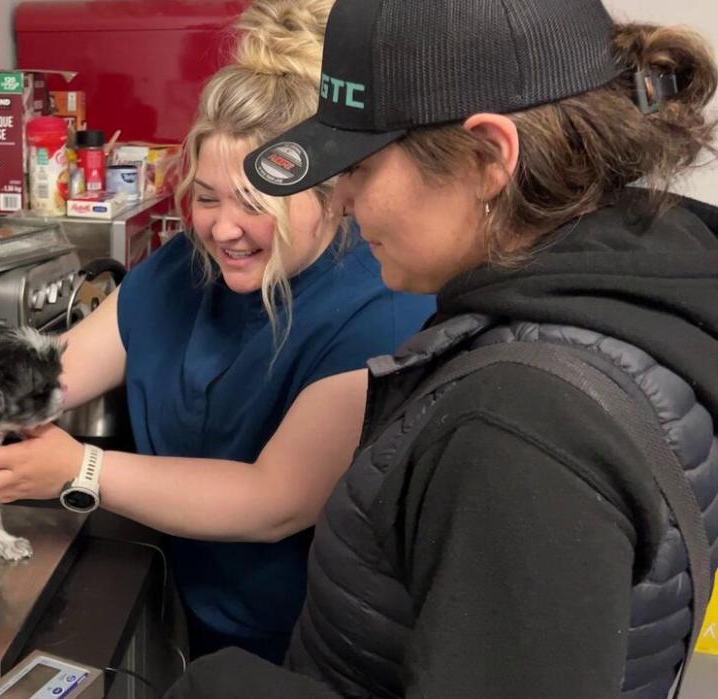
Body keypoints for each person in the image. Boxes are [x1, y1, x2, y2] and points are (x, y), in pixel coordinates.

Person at [0, 0, 435, 664]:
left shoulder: (380, 306)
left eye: (255, 204)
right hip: (197, 612)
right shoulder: (186, 271)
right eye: (206, 197)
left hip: (312, 649)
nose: (224, 228)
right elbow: (61, 365)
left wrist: (77, 469)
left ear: (331, 191)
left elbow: (275, 499)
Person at [165, 0, 718, 696]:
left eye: (360, 166)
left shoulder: (523, 423)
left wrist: (224, 688)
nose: (341, 203)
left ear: (488, 157)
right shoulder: (634, 285)